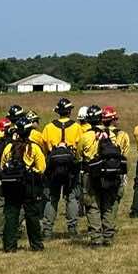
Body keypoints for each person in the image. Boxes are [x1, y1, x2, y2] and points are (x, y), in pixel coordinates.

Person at [77, 105, 131, 248]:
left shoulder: (85, 136)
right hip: (110, 174)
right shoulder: (113, 135)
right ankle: (108, 236)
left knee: (92, 205)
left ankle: (96, 238)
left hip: (91, 175)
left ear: (88, 120)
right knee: (108, 204)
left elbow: (78, 155)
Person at [0, 115, 47, 252]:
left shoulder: (8, 147)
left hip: (11, 186)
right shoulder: (34, 148)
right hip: (28, 186)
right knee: (32, 216)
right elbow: (42, 168)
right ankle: (36, 245)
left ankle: (9, 246)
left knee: (11, 215)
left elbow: (2, 166)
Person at [42, 97, 83, 237]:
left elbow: (44, 148)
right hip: (71, 168)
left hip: (53, 167)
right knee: (71, 198)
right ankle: (72, 229)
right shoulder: (77, 127)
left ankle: (47, 230)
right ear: (70, 111)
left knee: (51, 198)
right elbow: (80, 149)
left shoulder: (48, 127)